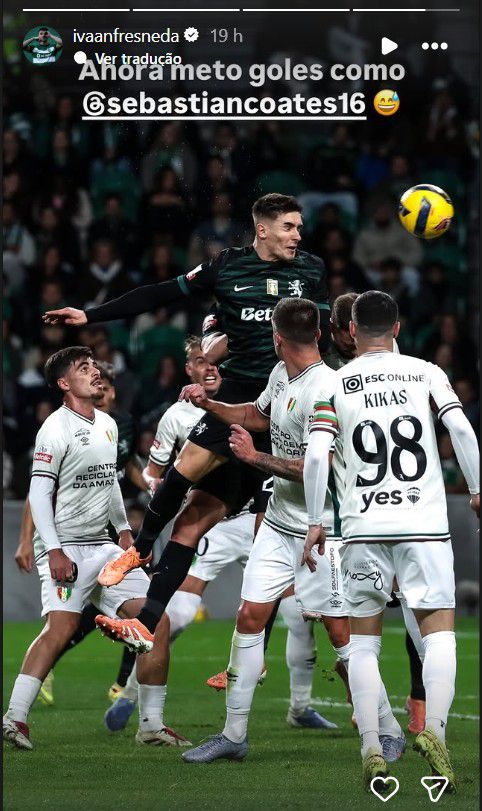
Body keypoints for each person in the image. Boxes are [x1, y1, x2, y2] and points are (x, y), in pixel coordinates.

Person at [44, 193, 331, 646]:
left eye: (299, 227)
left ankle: (256, 657)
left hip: (288, 402)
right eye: (289, 227)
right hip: (239, 396)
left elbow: (326, 336)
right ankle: (144, 592)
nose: (298, 235)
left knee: (269, 543)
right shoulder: (227, 267)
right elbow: (159, 292)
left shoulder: (311, 270)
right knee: (184, 496)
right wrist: (91, 315)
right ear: (262, 229)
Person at [179, 298, 400, 764]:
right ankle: (233, 735)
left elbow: (324, 466)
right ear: (317, 334)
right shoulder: (282, 375)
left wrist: (254, 458)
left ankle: (389, 727)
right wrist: (211, 404)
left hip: (324, 531)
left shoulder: (328, 389)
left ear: (277, 339)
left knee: (341, 633)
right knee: (249, 617)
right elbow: (257, 416)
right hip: (279, 525)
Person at [104, 336, 337, 735]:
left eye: (214, 361)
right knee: (179, 611)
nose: (209, 367)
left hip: (268, 513)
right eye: (200, 361)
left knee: (297, 616)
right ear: (189, 370)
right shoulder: (177, 416)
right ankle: (130, 688)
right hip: (222, 520)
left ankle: (299, 706)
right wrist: (162, 488)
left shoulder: (259, 395)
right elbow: (156, 474)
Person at [302, 290, 479, 792]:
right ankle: (434, 732)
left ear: (351, 330)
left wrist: (315, 520)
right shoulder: (426, 372)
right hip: (423, 523)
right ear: (397, 328)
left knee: (363, 643)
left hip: (362, 525)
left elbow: (315, 456)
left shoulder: (333, 382)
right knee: (438, 635)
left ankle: (372, 748)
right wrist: (477, 489)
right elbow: (460, 428)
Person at [3, 347, 154, 751]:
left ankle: (152, 726)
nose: (94, 372)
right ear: (64, 383)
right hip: (65, 546)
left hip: (103, 544)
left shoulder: (108, 423)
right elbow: (38, 493)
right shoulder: (54, 428)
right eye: (83, 368)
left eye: (94, 366)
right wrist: (53, 550)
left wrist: (124, 531)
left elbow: (110, 483)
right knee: (62, 628)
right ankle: (15, 717)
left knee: (155, 618)